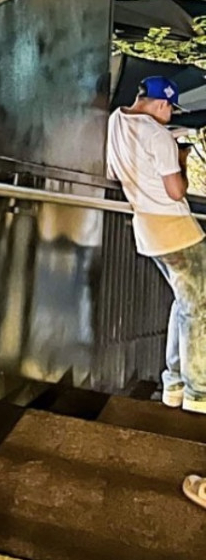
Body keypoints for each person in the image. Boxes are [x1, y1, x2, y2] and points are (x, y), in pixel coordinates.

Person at [106, 75, 206, 413]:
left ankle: (174, 385)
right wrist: (180, 160)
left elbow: (113, 171)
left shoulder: (116, 120)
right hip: (176, 229)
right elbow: (176, 191)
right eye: (170, 109)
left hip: (147, 230)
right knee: (200, 308)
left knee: (185, 303)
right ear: (162, 103)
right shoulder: (158, 135)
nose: (171, 115)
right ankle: (199, 392)